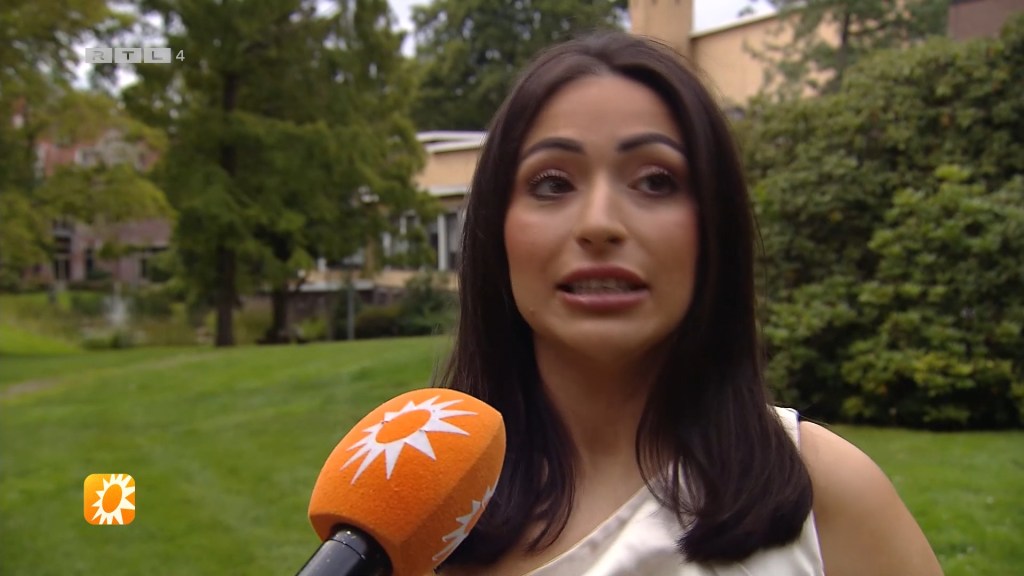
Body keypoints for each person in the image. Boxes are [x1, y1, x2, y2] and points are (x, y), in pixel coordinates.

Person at [433, 30, 943, 576]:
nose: (599, 223)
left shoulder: (829, 494)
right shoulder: (417, 508)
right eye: (553, 184)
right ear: (495, 229)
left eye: (656, 181)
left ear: (714, 228)